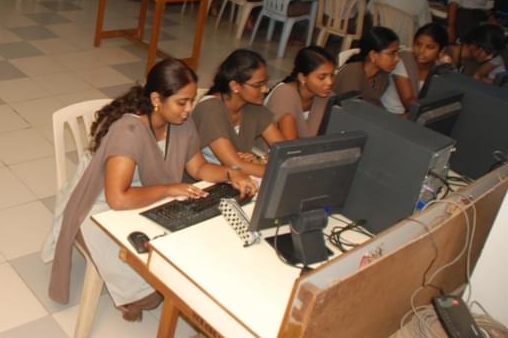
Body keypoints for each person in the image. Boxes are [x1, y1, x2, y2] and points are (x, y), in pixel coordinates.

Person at [45, 58, 257, 321]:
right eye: (182, 102)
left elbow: (199, 168)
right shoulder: (130, 131)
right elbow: (118, 199)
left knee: (177, 251)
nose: (189, 109)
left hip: (143, 193)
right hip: (95, 205)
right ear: (157, 99)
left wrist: (230, 173)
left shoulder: (180, 123)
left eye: (191, 101)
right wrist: (168, 189)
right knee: (151, 293)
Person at [191, 49, 284, 179]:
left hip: (238, 178)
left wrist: (261, 160)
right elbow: (235, 164)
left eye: (265, 82)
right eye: (258, 85)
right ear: (235, 86)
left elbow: (285, 152)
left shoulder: (254, 106)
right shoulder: (210, 109)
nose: (265, 89)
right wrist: (275, 170)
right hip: (205, 182)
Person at [265, 46, 335, 139]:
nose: (330, 82)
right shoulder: (285, 93)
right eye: (322, 77)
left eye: (332, 75)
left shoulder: (327, 96)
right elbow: (290, 144)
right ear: (302, 77)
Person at [381, 23, 448, 114]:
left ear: (441, 50)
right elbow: (408, 102)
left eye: (430, 47)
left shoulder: (440, 69)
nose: (421, 51)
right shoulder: (403, 60)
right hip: (388, 112)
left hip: (414, 118)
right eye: (418, 44)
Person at [332, 26, 400, 106]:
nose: (397, 59)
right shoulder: (353, 73)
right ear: (373, 55)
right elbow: (348, 109)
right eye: (391, 53)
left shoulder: (382, 77)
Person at [441, 23, 507, 84]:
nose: (489, 57)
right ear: (474, 45)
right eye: (488, 52)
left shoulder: (471, 62)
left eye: (493, 54)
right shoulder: (446, 57)